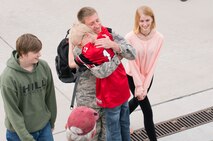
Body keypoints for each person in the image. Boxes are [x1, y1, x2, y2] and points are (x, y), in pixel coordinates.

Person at [68, 7, 136, 141]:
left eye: (97, 20)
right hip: (89, 98)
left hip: (111, 95)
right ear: (84, 27)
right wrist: (118, 57)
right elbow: (101, 72)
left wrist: (114, 46)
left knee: (109, 135)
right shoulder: (81, 47)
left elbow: (132, 53)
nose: (97, 25)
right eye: (91, 23)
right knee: (91, 136)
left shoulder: (109, 34)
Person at [0, 33, 57, 141]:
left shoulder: (43, 67)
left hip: (44, 128)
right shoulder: (8, 78)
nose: (39, 54)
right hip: (19, 134)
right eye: (35, 52)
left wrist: (51, 122)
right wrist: (26, 138)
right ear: (23, 53)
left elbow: (50, 96)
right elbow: (12, 112)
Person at [125, 6, 164, 141]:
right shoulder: (130, 37)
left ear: (152, 19)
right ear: (137, 21)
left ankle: (121, 120)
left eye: (147, 20)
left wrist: (145, 85)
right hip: (132, 76)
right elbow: (132, 64)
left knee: (137, 101)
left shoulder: (159, 38)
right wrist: (139, 86)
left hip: (148, 77)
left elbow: (153, 64)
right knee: (147, 110)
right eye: (141, 21)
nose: (145, 24)